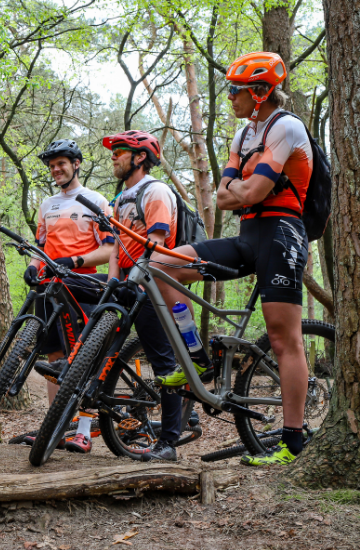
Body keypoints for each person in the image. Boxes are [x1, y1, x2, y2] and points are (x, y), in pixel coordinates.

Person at [151, 52, 311, 466]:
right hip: (246, 236)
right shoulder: (244, 137)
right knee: (162, 266)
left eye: (235, 91)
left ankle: (292, 440)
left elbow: (250, 192)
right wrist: (242, 188)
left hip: (283, 235)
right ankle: (198, 360)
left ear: (260, 92)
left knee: (282, 338)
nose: (230, 98)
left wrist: (242, 187)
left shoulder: (286, 127)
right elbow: (224, 198)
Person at [23, 139, 114, 453]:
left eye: (61, 163)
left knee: (86, 356)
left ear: (76, 164)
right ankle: (54, 427)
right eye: (51, 166)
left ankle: (84, 431)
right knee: (54, 358)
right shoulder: (47, 204)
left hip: (85, 286)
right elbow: (41, 246)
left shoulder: (96, 201)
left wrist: (75, 262)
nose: (56, 169)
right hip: (49, 287)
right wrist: (33, 268)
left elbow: (109, 249)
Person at [103, 130, 183, 462]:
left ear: (139, 158)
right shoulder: (119, 198)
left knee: (164, 362)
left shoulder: (155, 191)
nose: (113, 157)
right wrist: (112, 281)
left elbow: (159, 245)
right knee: (101, 338)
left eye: (119, 151)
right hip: (125, 283)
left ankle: (169, 442)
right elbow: (116, 247)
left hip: (153, 285)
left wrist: (139, 282)